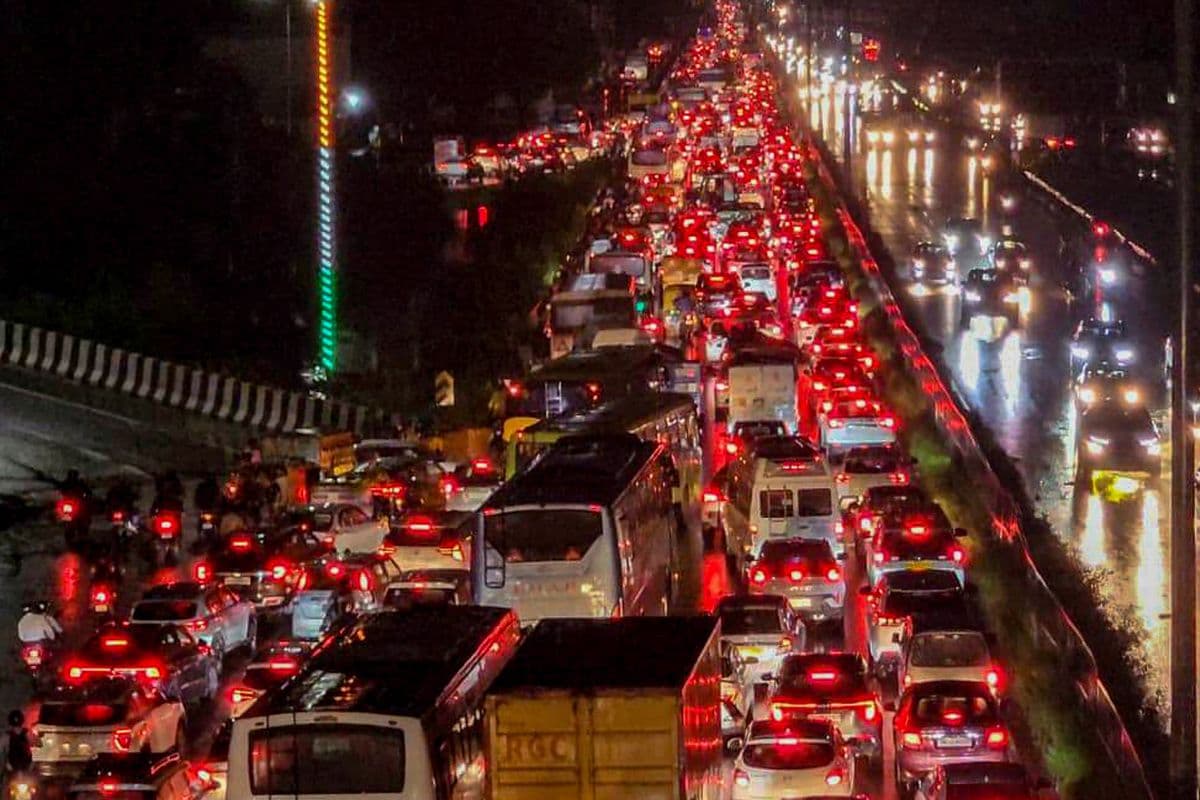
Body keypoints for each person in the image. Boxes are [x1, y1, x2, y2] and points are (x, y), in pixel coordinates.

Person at [6, 711, 33, 775]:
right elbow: (4, 750)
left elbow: (36, 746)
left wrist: (32, 763)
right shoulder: (7, 736)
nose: (17, 729)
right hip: (13, 765)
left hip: (25, 765)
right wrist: (7, 763)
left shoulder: (27, 733)